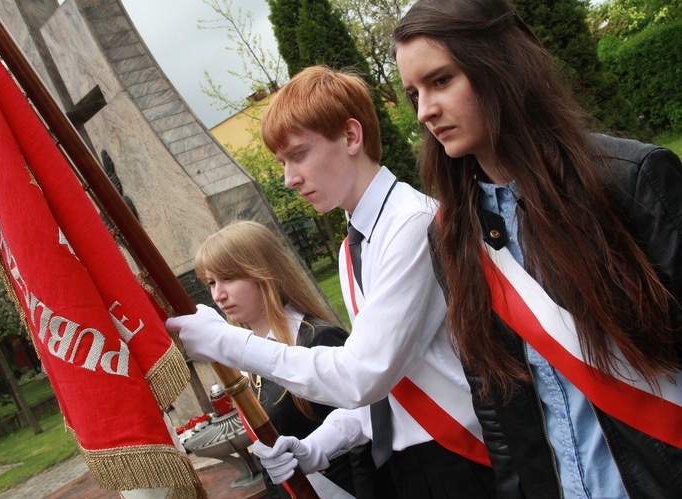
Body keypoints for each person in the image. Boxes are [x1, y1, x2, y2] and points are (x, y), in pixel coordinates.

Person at [391, 1, 682, 497]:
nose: (425, 111)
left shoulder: (630, 180)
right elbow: (497, 405)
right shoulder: (452, 235)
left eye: (441, 80)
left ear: (500, 66)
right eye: (414, 93)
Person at [166, 65, 496, 498]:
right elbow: (392, 388)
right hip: (417, 466)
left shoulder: (412, 224)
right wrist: (316, 447)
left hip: (461, 463)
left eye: (299, 154)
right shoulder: (355, 241)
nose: (289, 178)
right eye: (283, 162)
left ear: (351, 137)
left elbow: (362, 375)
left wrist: (225, 341)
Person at [190, 220, 371, 498]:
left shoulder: (318, 339)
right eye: (211, 283)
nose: (218, 295)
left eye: (228, 278)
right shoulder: (246, 357)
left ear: (264, 273)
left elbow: (364, 431)